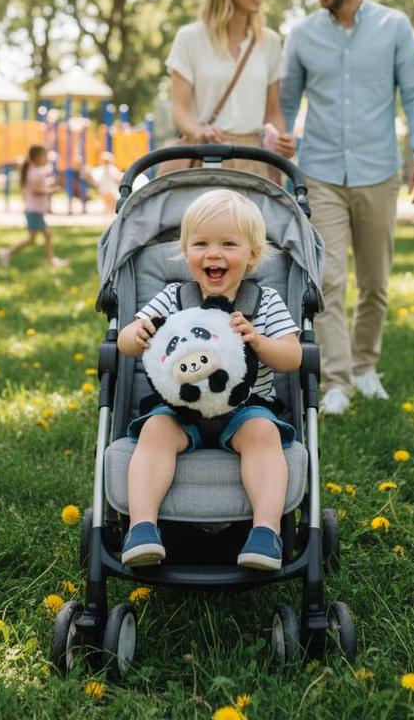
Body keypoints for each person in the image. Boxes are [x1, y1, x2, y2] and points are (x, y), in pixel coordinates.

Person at [280, 0, 414, 415]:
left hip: (378, 172)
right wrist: (278, 154)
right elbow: (285, 104)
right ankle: (337, 380)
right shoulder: (303, 35)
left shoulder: (394, 27)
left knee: (375, 282)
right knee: (328, 280)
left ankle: (366, 367)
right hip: (321, 172)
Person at [117, 188, 302, 571]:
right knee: (154, 432)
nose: (213, 254)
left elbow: (293, 356)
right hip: (179, 408)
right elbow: (126, 339)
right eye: (200, 243)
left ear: (252, 256)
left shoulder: (265, 303)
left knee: (264, 435)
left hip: (247, 408)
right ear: (186, 252)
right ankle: (142, 528)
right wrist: (135, 337)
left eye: (228, 244)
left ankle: (266, 532)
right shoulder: (173, 299)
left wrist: (258, 340)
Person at [167, 0, 297, 179]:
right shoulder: (190, 38)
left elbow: (273, 112)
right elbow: (179, 109)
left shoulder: (269, 42)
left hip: (254, 159)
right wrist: (199, 131)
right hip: (205, 155)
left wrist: (281, 139)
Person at [0, 145, 68, 268]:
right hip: (34, 211)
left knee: (36, 238)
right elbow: (36, 191)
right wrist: (52, 190)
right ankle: (7, 253)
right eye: (44, 156)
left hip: (34, 210)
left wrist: (51, 185)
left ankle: (7, 253)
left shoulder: (33, 171)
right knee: (43, 235)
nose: (46, 159)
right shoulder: (35, 173)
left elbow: (38, 187)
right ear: (37, 158)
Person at [89, 150, 122, 215]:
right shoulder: (100, 170)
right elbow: (94, 178)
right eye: (105, 161)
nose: (106, 163)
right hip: (104, 190)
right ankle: (108, 212)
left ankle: (110, 212)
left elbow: (118, 177)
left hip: (112, 190)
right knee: (107, 203)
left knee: (111, 203)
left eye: (107, 161)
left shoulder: (112, 169)